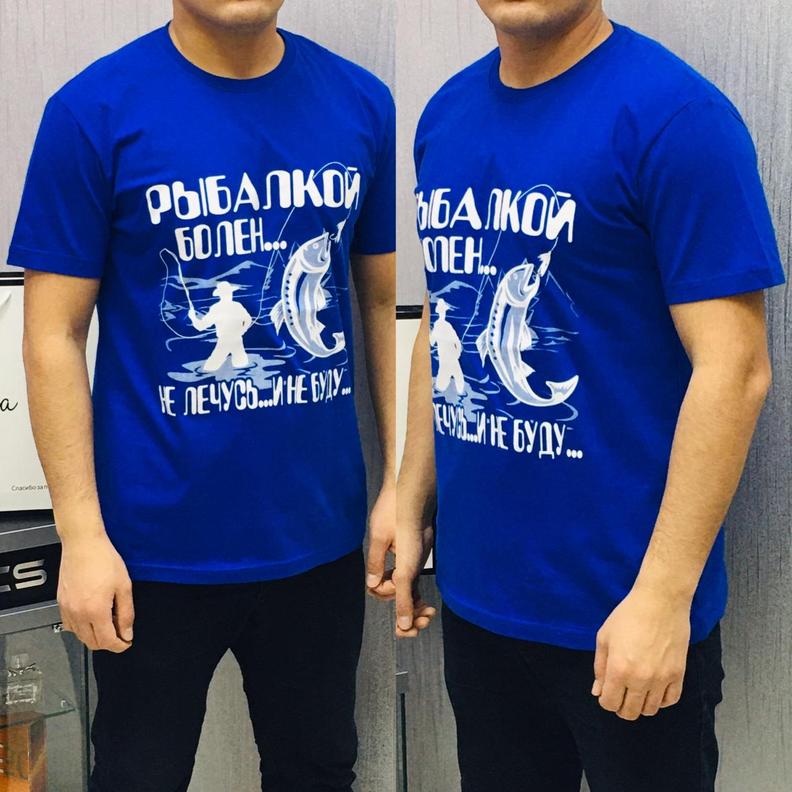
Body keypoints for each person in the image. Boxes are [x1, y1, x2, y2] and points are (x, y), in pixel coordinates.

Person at [395, 1, 785, 790]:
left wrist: (663, 598)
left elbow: (736, 369)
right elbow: (447, 317)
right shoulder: (446, 115)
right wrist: (408, 495)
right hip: (480, 601)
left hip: (627, 613)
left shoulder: (678, 118)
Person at [10, 1, 395, 790]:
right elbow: (52, 336)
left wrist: (399, 483)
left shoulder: (360, 102)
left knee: (319, 770)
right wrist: (80, 536)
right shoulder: (92, 111)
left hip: (317, 542)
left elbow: (381, 305)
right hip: (148, 550)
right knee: (138, 774)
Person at [189, 281, 253, 371]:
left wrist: (193, 318)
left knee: (209, 368)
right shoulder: (234, 306)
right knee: (241, 365)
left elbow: (200, 326)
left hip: (229, 341)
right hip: (232, 341)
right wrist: (242, 330)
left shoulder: (220, 308)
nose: (229, 295)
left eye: (229, 292)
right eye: (227, 293)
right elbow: (248, 319)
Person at [430, 298, 466, 396]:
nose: (443, 313)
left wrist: (458, 351)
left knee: (450, 373)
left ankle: (441, 389)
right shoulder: (442, 326)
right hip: (448, 355)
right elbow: (432, 342)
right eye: (442, 311)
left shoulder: (444, 325)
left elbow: (432, 342)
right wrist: (458, 351)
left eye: (444, 311)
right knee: (452, 373)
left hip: (448, 355)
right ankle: (455, 391)